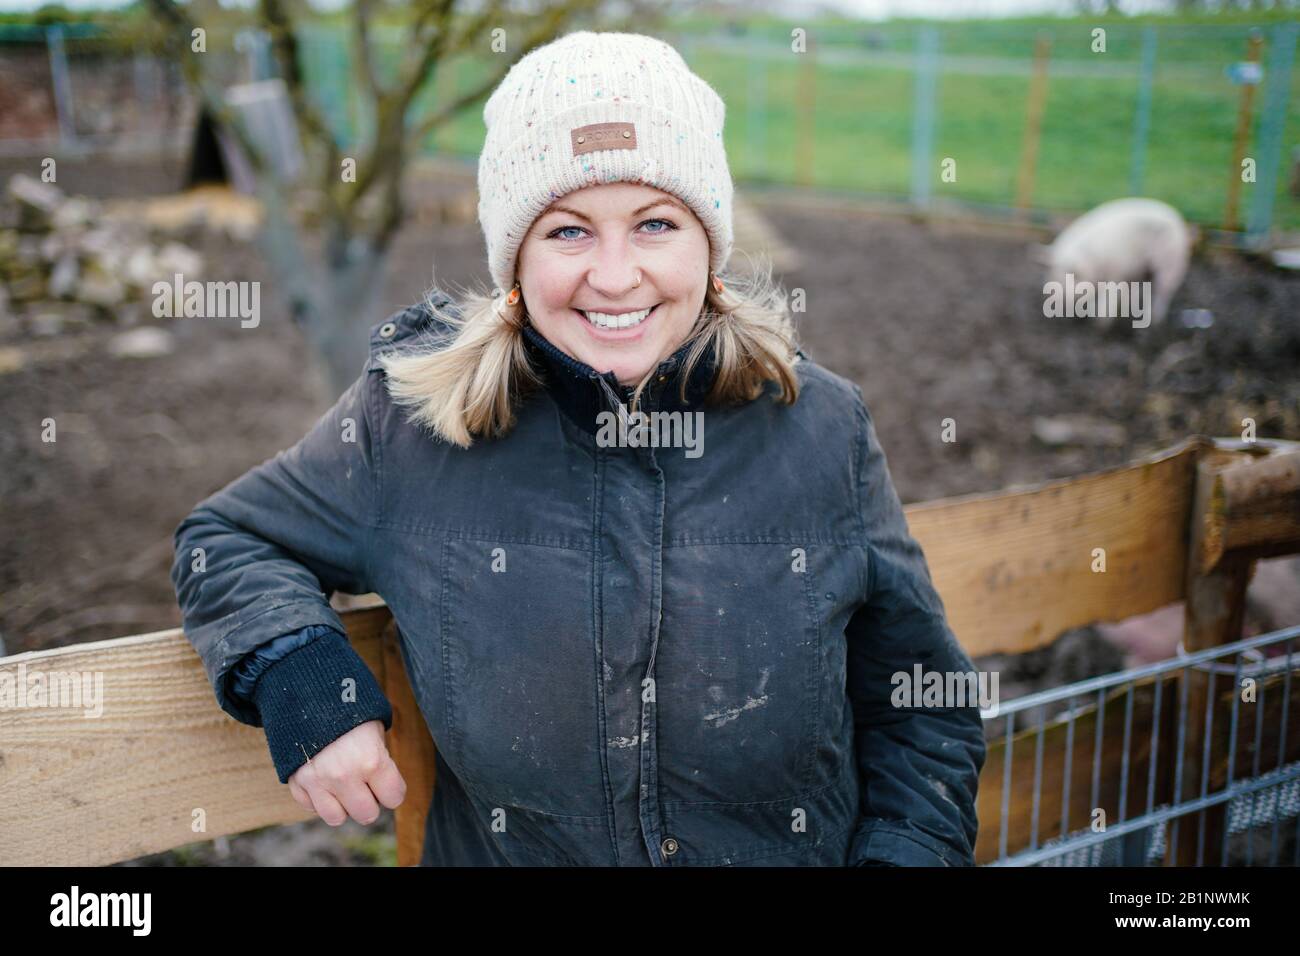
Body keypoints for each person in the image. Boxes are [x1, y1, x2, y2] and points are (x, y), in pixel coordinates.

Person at [170, 30, 987, 867]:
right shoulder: (411, 428)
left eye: (656, 223)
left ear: (710, 248)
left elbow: (922, 705)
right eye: (568, 232)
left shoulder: (819, 427)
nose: (615, 274)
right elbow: (225, 540)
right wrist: (309, 685)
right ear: (514, 259)